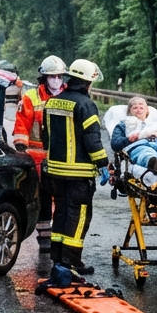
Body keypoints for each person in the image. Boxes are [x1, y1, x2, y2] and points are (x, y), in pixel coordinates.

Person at [37, 59, 109, 286]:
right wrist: (103, 164)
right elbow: (92, 139)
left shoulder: (52, 103)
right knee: (78, 217)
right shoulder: (86, 105)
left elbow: (46, 137)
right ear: (88, 82)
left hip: (55, 172)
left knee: (60, 213)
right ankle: (70, 263)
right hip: (79, 174)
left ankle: (58, 260)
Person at [13, 55, 67, 273]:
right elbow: (22, 125)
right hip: (37, 157)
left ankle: (60, 238)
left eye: (58, 76)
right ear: (43, 78)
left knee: (62, 198)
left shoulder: (69, 96)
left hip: (63, 157)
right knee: (42, 198)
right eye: (51, 76)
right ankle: (44, 238)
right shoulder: (31, 97)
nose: (55, 80)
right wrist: (20, 147)